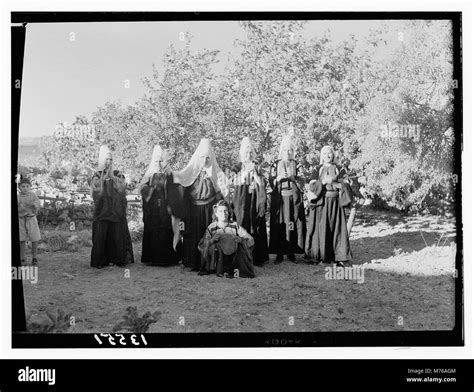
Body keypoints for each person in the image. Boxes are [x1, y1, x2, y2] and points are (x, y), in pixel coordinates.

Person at [173, 139, 228, 272]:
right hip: (193, 209)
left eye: (207, 157)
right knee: (192, 235)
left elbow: (223, 190)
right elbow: (181, 180)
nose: (205, 160)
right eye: (202, 157)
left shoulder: (216, 172)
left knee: (208, 235)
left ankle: (210, 263)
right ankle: (193, 262)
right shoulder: (192, 171)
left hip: (209, 209)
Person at [305, 145, 353, 266]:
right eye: (325, 153)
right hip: (322, 203)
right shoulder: (317, 169)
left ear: (333, 155)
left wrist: (334, 182)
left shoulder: (340, 169)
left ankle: (338, 257)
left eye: (330, 153)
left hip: (336, 203)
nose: (327, 156)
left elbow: (346, 186)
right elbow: (311, 187)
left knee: (336, 229)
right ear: (322, 156)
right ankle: (321, 256)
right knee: (322, 229)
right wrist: (323, 182)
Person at [90, 146, 134, 268]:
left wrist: (112, 178)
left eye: (110, 159)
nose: (108, 162)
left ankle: (117, 259)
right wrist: (104, 178)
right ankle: (101, 261)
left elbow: (122, 188)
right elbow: (95, 191)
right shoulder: (97, 175)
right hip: (102, 211)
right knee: (101, 235)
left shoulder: (117, 173)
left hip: (115, 212)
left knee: (116, 235)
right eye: (106, 159)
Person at [230, 137, 269, 266]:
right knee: (242, 224)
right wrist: (245, 173)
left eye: (250, 152)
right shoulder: (237, 166)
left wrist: (255, 175)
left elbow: (263, 183)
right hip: (241, 201)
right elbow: (233, 182)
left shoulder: (257, 166)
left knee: (256, 225)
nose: (248, 155)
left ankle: (258, 257)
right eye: (246, 153)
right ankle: (241, 256)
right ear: (241, 153)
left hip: (255, 200)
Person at [139, 145, 179, 266]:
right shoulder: (149, 175)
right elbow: (142, 188)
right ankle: (152, 258)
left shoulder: (169, 175)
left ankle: (168, 258)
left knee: (166, 232)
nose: (158, 163)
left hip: (166, 210)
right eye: (156, 161)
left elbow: (176, 188)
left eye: (160, 161)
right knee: (154, 231)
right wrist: (152, 188)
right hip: (153, 211)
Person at [269, 135, 306, 263]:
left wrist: (293, 177)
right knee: (280, 225)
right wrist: (278, 178)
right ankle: (279, 253)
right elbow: (270, 180)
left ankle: (291, 251)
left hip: (293, 198)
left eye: (290, 150)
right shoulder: (276, 164)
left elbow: (303, 180)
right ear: (281, 151)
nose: (288, 152)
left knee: (292, 224)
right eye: (285, 150)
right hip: (280, 199)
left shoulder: (297, 164)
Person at [198, 200, 255, 278]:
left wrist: (241, 240)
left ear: (229, 212)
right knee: (214, 247)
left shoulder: (235, 226)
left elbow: (250, 240)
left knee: (239, 249)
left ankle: (233, 270)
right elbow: (201, 244)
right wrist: (211, 240)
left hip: (233, 257)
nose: (223, 214)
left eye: (225, 211)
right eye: (220, 211)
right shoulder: (211, 227)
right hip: (217, 257)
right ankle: (216, 268)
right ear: (216, 214)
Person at [18, 177, 41, 265]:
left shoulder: (33, 195)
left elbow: (37, 203)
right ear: (19, 187)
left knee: (34, 238)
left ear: (30, 187)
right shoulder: (18, 197)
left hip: (31, 219)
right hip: (21, 219)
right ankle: (23, 257)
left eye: (27, 186)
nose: (25, 188)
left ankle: (34, 257)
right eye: (23, 186)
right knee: (21, 239)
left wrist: (34, 205)